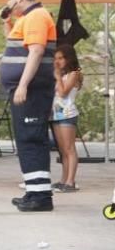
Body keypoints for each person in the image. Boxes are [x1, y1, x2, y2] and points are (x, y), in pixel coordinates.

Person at [1, 0, 57, 212]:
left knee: (32, 139)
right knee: (27, 140)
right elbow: (13, 44)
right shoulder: (26, 18)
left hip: (32, 91)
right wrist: (7, 21)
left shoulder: (36, 16)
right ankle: (34, 191)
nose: (7, 2)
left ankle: (41, 198)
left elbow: (35, 51)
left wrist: (23, 85)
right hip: (27, 90)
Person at [51, 43, 83, 193]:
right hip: (56, 114)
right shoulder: (62, 74)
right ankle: (64, 179)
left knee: (70, 149)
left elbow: (63, 93)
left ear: (69, 58)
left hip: (67, 114)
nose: (58, 61)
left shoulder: (74, 74)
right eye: (56, 58)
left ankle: (71, 181)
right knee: (62, 150)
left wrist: (57, 77)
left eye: (61, 58)